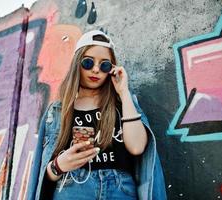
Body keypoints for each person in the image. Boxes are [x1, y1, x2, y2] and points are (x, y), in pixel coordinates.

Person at [29, 30, 167, 200]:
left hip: (121, 190)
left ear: (112, 69)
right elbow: (41, 175)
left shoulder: (122, 104)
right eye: (88, 62)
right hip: (72, 188)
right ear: (76, 64)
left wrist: (123, 92)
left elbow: (137, 147)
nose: (96, 70)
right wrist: (59, 165)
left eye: (105, 65)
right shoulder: (57, 111)